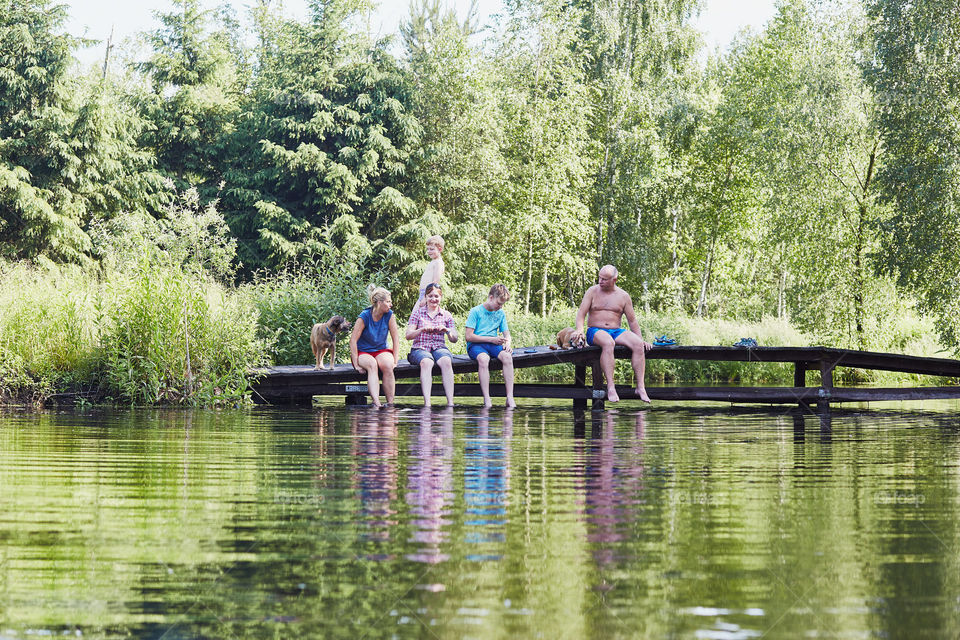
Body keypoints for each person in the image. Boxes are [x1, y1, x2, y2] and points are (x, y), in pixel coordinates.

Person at [575, 265, 653, 403]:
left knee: (638, 344)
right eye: (599, 277)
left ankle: (640, 387)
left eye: (604, 279)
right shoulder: (592, 291)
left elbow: (632, 321)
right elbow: (581, 313)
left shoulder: (623, 296)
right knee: (608, 343)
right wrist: (579, 330)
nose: (600, 281)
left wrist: (640, 339)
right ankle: (611, 387)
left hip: (616, 331)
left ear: (614, 279)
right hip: (595, 331)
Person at [406, 283, 459, 407]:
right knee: (427, 362)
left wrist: (446, 330)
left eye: (436, 296)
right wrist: (422, 330)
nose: (433, 299)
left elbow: (454, 339)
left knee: (446, 361)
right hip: (420, 348)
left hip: (439, 347)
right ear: (425, 297)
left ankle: (450, 402)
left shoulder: (446, 315)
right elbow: (408, 336)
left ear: (440, 297)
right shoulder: (418, 313)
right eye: (430, 296)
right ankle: (427, 403)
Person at [465, 284, 516, 408]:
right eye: (499, 303)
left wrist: (508, 343)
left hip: (493, 344)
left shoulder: (500, 313)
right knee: (484, 359)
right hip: (476, 345)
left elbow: (507, 334)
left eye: (503, 304)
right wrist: (491, 339)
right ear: (491, 297)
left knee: (507, 357)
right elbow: (469, 336)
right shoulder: (475, 311)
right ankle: (487, 398)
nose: (500, 307)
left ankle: (510, 397)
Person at [350, 285, 401, 408]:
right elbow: (353, 341)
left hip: (381, 350)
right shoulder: (364, 316)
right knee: (372, 365)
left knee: (388, 365)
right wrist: (356, 364)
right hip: (363, 352)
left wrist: (395, 360)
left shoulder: (390, 315)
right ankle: (376, 403)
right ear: (379, 302)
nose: (391, 304)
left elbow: (396, 339)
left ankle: (390, 404)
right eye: (388, 302)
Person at [413, 235, 445, 312]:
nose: (429, 251)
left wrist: (426, 297)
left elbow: (435, 281)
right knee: (415, 317)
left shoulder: (438, 263)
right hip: (424, 293)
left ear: (439, 249)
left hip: (428, 293)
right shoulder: (433, 261)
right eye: (428, 249)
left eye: (432, 249)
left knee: (415, 316)